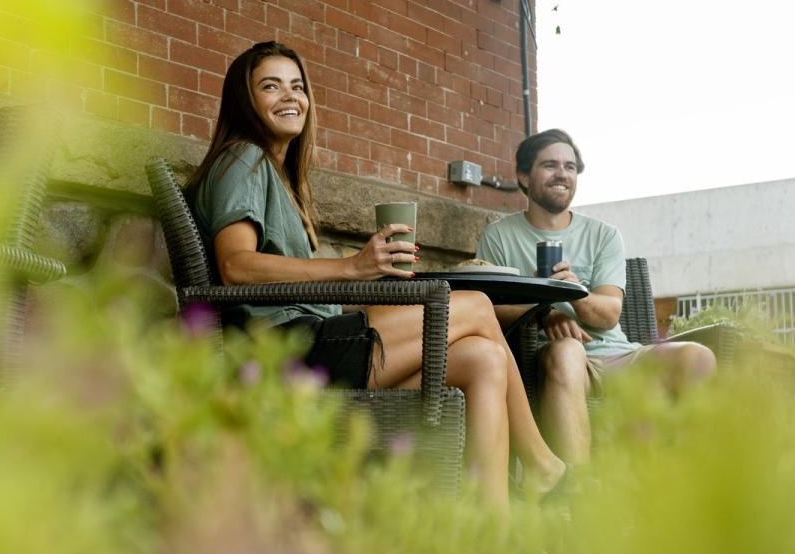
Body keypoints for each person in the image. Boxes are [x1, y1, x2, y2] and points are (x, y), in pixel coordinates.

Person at [186, 41, 566, 510]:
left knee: (484, 358)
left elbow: (306, 292)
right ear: (247, 100)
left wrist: (375, 282)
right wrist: (351, 267)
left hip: (319, 341)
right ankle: (542, 463)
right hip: (285, 353)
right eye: (271, 86)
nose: (290, 97)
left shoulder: (279, 177)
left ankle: (496, 534)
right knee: (476, 305)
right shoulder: (242, 159)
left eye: (297, 86)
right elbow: (235, 267)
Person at [477, 128, 715, 464]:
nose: (562, 173)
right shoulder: (499, 237)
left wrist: (574, 294)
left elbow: (609, 313)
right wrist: (543, 313)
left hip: (619, 356)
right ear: (524, 176)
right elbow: (486, 311)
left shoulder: (603, 235)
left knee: (698, 357)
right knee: (569, 352)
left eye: (570, 167)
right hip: (555, 359)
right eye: (550, 165)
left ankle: (693, 484)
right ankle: (577, 494)